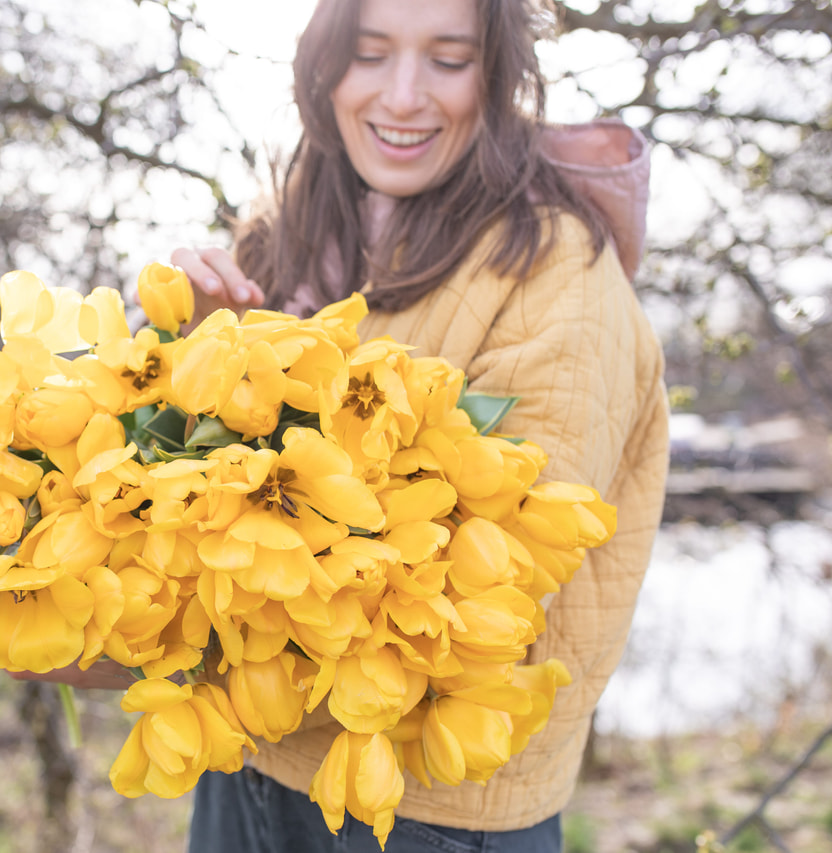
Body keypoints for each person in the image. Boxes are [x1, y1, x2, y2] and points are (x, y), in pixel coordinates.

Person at [167, 0, 670, 850]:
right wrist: (199, 364)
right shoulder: (288, 228)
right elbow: (187, 495)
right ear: (323, 65)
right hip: (243, 756)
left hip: (429, 808)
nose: (403, 96)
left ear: (501, 72)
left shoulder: (560, 279)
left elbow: (492, 589)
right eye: (369, 54)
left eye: (448, 59)